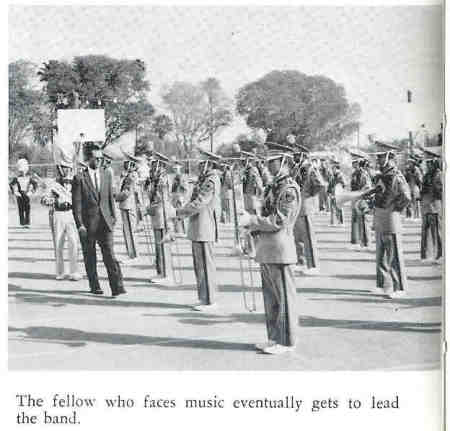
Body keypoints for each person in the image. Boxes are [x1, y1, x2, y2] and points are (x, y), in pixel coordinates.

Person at [239, 143, 301, 355]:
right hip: (268, 248)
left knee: (284, 297)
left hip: (280, 249)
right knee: (271, 297)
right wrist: (251, 226)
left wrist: (253, 220)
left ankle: (287, 340)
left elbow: (279, 220)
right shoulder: (274, 187)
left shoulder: (289, 190)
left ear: (283, 162)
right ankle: (274, 338)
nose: (268, 166)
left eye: (272, 162)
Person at [72, 142, 126, 297]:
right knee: (90, 257)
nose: (99, 161)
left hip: (105, 223)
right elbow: (77, 205)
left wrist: (113, 218)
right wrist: (80, 225)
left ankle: (117, 287)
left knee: (110, 255)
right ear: (89, 159)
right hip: (88, 225)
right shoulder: (79, 178)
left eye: (101, 158)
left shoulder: (106, 174)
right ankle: (94, 285)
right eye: (96, 158)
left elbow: (109, 198)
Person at [175, 149, 221, 311]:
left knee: (206, 265)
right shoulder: (204, 179)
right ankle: (203, 297)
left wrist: (180, 212)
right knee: (199, 265)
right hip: (197, 226)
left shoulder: (211, 180)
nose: (199, 166)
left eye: (201, 163)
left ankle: (210, 300)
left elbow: (200, 202)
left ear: (208, 163)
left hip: (204, 226)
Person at [372, 142, 411, 298]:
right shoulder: (383, 175)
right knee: (381, 255)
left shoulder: (395, 175)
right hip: (381, 218)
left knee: (393, 255)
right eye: (378, 157)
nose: (379, 160)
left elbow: (406, 197)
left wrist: (395, 209)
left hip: (390, 218)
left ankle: (399, 287)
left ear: (389, 157)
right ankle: (383, 285)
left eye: (382, 157)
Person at [41, 161, 82, 281]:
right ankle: (60, 271)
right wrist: (52, 201)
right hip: (58, 213)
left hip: (71, 213)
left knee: (74, 243)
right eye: (64, 167)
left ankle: (74, 271)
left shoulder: (76, 181)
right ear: (59, 169)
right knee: (58, 243)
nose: (67, 170)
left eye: (69, 167)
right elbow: (43, 200)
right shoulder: (53, 184)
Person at [147, 152, 177, 285]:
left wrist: (150, 207)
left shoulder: (162, 179)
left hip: (162, 212)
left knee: (162, 243)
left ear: (159, 165)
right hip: (158, 212)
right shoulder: (155, 178)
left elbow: (160, 198)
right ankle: (161, 271)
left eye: (154, 164)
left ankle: (166, 273)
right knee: (158, 242)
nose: (151, 167)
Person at [293, 152, 323, 275]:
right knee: (298, 237)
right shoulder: (297, 168)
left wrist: (309, 196)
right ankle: (301, 262)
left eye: (296, 155)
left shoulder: (311, 169)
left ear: (303, 155)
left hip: (306, 206)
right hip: (297, 206)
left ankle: (313, 266)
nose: (294, 157)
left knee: (308, 237)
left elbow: (320, 184)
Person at [115, 151, 142, 265]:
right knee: (127, 230)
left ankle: (135, 255)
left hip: (128, 205)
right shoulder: (128, 175)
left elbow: (126, 192)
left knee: (131, 230)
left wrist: (116, 197)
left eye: (127, 162)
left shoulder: (132, 176)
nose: (125, 164)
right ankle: (131, 254)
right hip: (125, 205)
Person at [420, 150, 442, 263]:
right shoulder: (426, 175)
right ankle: (426, 255)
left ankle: (439, 255)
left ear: (434, 162)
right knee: (425, 232)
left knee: (436, 232)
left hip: (435, 207)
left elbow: (441, 192)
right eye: (426, 163)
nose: (427, 165)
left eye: (429, 163)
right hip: (426, 206)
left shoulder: (439, 175)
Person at [10, 158, 38, 228]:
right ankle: (22, 223)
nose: (22, 172)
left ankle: (27, 223)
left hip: (27, 194)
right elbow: (10, 184)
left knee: (27, 209)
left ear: (26, 170)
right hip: (20, 195)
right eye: (21, 171)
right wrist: (14, 192)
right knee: (21, 209)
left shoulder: (29, 178)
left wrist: (31, 192)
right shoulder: (17, 178)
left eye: (24, 171)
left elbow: (35, 185)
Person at [171, 161, 189, 233]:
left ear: (179, 169)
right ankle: (178, 230)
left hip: (180, 197)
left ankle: (183, 230)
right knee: (176, 213)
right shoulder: (175, 177)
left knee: (181, 213)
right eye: (174, 169)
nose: (175, 170)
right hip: (175, 197)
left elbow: (186, 188)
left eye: (176, 169)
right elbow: (173, 188)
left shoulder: (182, 177)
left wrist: (183, 197)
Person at [404, 155, 423, 221]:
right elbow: (405, 179)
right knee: (408, 201)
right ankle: (409, 215)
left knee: (415, 201)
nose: (409, 164)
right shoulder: (407, 170)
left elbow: (419, 180)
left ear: (413, 163)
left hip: (415, 186)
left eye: (410, 163)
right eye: (408, 163)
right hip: (409, 186)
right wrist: (407, 174)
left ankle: (416, 216)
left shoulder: (417, 170)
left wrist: (420, 188)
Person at [328, 161, 345, 226]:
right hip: (332, 194)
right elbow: (330, 184)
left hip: (338, 194)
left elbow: (343, 185)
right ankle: (332, 222)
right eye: (332, 168)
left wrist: (337, 191)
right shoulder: (332, 176)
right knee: (332, 208)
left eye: (334, 168)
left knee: (339, 208)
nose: (333, 170)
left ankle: (341, 222)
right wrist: (329, 192)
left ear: (337, 169)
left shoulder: (340, 176)